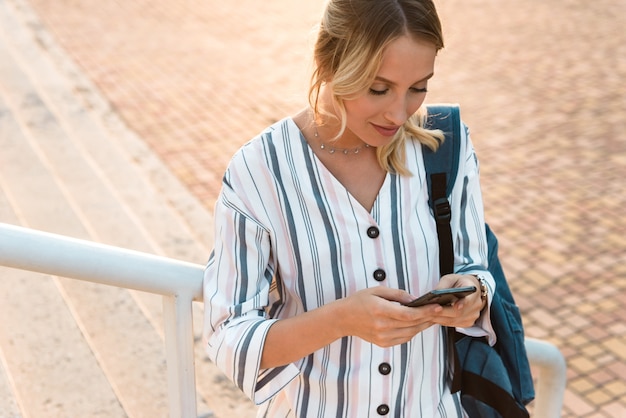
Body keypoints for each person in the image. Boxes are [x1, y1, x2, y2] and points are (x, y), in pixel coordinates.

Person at [203, 0, 496, 416]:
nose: (399, 113)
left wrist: (474, 295)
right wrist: (340, 320)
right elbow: (227, 335)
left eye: (418, 87)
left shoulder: (446, 144)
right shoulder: (259, 170)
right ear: (328, 60)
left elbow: (476, 267)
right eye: (378, 88)